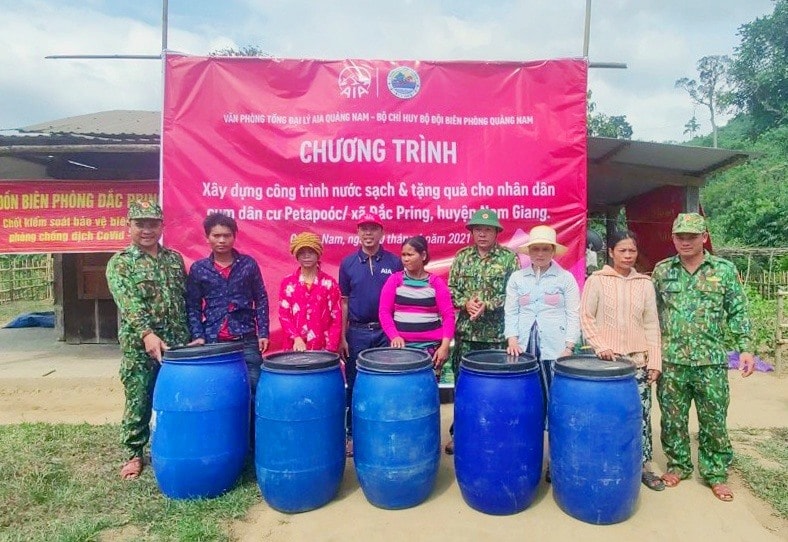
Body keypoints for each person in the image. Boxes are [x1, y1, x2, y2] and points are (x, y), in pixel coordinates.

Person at [652, 212, 755, 502]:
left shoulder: (723, 270)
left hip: (710, 361)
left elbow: (738, 309)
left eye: (691, 236)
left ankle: (715, 473)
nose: (685, 242)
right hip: (672, 361)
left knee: (713, 421)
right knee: (672, 420)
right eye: (680, 236)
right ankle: (678, 465)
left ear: (703, 237)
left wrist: (745, 347)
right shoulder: (661, 271)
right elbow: (651, 315)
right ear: (673, 238)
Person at [106, 200, 191, 480]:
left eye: (152, 223)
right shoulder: (121, 263)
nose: (146, 230)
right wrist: (147, 334)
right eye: (140, 223)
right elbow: (128, 303)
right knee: (139, 398)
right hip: (140, 348)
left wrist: (193, 336)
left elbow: (184, 300)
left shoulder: (174, 260)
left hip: (177, 347)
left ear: (162, 226)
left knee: (178, 399)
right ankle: (134, 453)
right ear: (128, 226)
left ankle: (174, 445)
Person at [580, 230, 664, 491]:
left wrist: (655, 361)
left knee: (640, 414)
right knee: (607, 416)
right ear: (612, 252)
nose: (628, 255)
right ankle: (607, 462)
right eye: (622, 250)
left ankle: (643, 466)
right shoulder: (597, 280)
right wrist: (601, 346)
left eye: (632, 251)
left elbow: (652, 324)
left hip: (637, 362)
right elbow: (585, 317)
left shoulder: (644, 283)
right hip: (607, 365)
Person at [445, 209, 519, 454]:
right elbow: (451, 290)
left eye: (487, 229)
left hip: (497, 337)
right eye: (478, 229)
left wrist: (488, 305)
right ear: (472, 232)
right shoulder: (462, 257)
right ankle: (461, 434)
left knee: (496, 391)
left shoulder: (509, 259)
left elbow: (513, 294)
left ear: (497, 232)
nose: (482, 234)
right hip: (466, 335)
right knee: (464, 388)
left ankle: (493, 435)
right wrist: (466, 303)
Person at [339, 213, 403, 457]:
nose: (368, 234)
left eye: (373, 229)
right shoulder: (348, 264)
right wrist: (343, 336)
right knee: (355, 385)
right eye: (363, 229)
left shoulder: (394, 262)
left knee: (387, 384)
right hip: (357, 332)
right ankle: (353, 435)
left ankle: (386, 431)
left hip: (387, 332)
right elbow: (344, 302)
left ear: (381, 232)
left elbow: (400, 299)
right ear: (358, 233)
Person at [186, 212, 270, 396]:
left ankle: (251, 426)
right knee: (217, 392)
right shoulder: (199, 269)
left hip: (246, 340)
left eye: (227, 235)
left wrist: (263, 332)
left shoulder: (248, 264)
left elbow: (261, 299)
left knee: (255, 390)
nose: (222, 240)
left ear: (234, 236)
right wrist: (198, 335)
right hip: (213, 340)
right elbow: (192, 305)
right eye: (216, 235)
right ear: (207, 237)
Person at [378, 236, 456, 372]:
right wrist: (394, 336)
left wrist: (444, 346)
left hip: (430, 351)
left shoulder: (436, 283)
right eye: (403, 255)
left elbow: (448, 316)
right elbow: (384, 312)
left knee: (426, 390)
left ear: (423, 255)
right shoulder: (395, 280)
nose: (406, 259)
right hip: (401, 351)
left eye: (410, 254)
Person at [278, 232, 342, 352]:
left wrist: (330, 348)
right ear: (296, 256)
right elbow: (283, 315)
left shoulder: (329, 283)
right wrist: (296, 338)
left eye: (311, 252)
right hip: (294, 348)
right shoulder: (288, 283)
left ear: (318, 254)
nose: (306, 256)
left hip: (322, 348)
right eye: (302, 253)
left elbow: (336, 317)